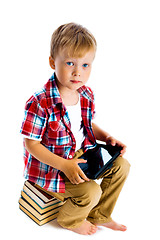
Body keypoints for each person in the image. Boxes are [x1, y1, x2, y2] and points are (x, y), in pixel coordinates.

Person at [20, 23, 130, 235]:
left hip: (81, 155)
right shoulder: (40, 102)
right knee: (91, 191)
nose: (77, 72)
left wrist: (106, 137)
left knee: (121, 167)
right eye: (70, 63)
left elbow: (86, 124)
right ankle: (70, 220)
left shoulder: (86, 94)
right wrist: (64, 165)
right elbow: (31, 144)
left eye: (85, 65)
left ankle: (100, 215)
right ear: (53, 62)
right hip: (51, 166)